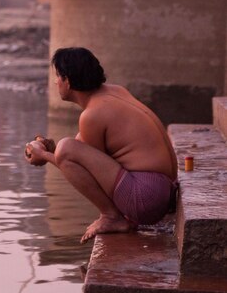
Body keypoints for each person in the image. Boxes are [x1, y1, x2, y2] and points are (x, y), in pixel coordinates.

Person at [24, 47, 178, 243]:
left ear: (68, 82)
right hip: (165, 191)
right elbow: (87, 154)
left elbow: (77, 163)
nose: (56, 82)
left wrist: (44, 155)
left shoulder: (92, 115)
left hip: (147, 199)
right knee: (64, 147)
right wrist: (49, 149)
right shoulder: (116, 92)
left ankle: (111, 217)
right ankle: (113, 216)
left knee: (65, 147)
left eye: (58, 77)